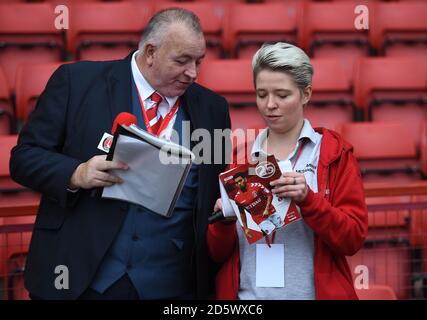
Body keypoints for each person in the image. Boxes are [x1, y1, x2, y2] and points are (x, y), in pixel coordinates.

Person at [10, 8, 230, 300]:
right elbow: (24, 157)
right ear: (150, 52)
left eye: (198, 61)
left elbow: (215, 192)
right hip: (81, 278)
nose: (193, 72)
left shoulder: (213, 108)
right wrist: (76, 173)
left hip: (171, 284)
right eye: (182, 61)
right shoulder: (77, 82)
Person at [207, 42, 368, 300]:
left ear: (306, 94)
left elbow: (352, 239)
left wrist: (309, 200)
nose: (270, 104)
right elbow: (217, 253)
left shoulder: (333, 153)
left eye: (282, 95)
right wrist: (223, 223)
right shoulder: (238, 156)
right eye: (261, 94)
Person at [232, 172, 276, 238]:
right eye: (236, 183)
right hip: (259, 218)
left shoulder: (257, 185)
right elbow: (242, 213)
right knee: (271, 231)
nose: (239, 183)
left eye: (240, 181)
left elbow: (269, 195)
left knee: (282, 227)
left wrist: (266, 209)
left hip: (270, 211)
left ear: (245, 179)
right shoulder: (237, 198)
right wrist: (246, 228)